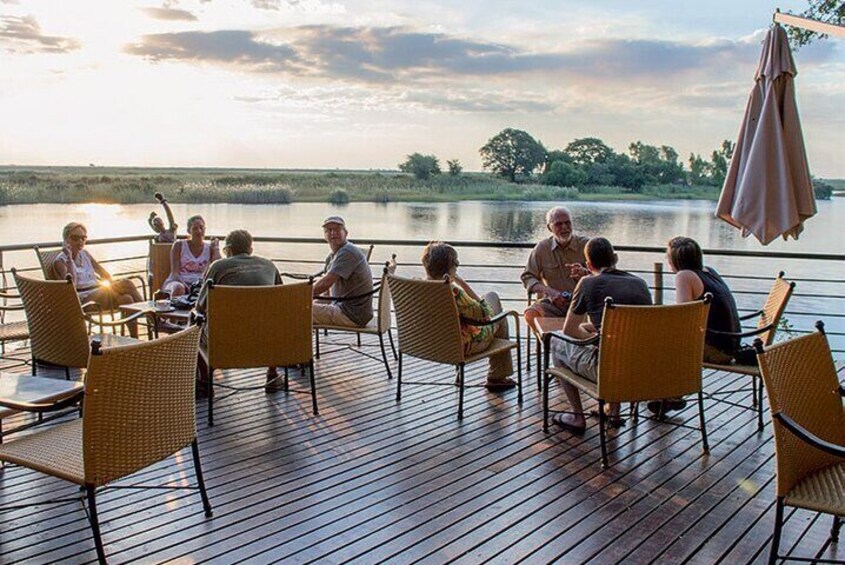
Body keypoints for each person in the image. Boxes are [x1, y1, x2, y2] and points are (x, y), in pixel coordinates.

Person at [549, 237, 652, 434]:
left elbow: (570, 330)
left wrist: (594, 340)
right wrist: (597, 331)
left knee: (556, 340)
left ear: (588, 264)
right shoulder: (640, 284)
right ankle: (613, 411)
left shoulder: (588, 284)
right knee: (613, 346)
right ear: (615, 258)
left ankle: (577, 416)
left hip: (607, 371)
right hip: (640, 370)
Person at [195, 229, 283, 395]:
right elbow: (280, 302)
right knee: (272, 323)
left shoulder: (218, 267)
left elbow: (200, 307)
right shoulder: (269, 265)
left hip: (226, 344)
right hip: (267, 341)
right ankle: (272, 375)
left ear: (228, 250)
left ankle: (205, 382)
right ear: (250, 249)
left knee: (194, 325)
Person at [421, 242, 515, 389]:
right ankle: (497, 376)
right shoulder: (453, 292)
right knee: (498, 311)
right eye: (456, 263)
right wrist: (460, 282)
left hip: (427, 344)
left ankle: (496, 375)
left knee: (489, 299)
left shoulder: (417, 286)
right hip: (462, 345)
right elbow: (486, 314)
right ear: (451, 266)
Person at [52, 222, 144, 336]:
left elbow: (104, 274)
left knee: (127, 299)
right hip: (83, 300)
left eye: (83, 238)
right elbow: (72, 287)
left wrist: (113, 286)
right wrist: (70, 259)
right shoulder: (60, 262)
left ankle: (135, 340)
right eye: (75, 238)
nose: (80, 241)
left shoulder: (85, 254)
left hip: (99, 294)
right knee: (127, 283)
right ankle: (150, 314)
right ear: (66, 240)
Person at [667, 236, 741, 364]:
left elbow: (684, 317)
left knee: (654, 346)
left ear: (674, 260)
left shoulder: (684, 276)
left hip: (716, 351)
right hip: (732, 345)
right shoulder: (710, 271)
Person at [521, 206, 590, 330]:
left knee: (593, 318)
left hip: (582, 304)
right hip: (554, 304)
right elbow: (527, 277)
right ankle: (550, 343)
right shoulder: (542, 248)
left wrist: (586, 274)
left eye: (567, 222)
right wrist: (550, 292)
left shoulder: (587, 245)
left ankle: (575, 343)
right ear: (549, 228)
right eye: (559, 224)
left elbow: (604, 274)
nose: (564, 227)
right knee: (530, 314)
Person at [312, 216, 373, 328]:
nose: (333, 233)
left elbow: (325, 283)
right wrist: (307, 303)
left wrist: (299, 295)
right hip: (344, 308)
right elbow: (327, 292)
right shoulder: (333, 256)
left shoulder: (347, 252)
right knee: (302, 308)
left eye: (337, 230)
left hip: (352, 315)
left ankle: (296, 345)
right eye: (328, 230)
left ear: (346, 233)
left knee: (297, 311)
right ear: (324, 236)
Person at [162, 215, 220, 298]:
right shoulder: (179, 245)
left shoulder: (209, 248)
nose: (199, 231)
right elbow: (175, 273)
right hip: (178, 281)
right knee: (179, 288)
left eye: (201, 228)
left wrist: (216, 248)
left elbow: (217, 266)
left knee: (211, 289)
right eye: (195, 228)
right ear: (189, 231)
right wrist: (187, 287)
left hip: (199, 283)